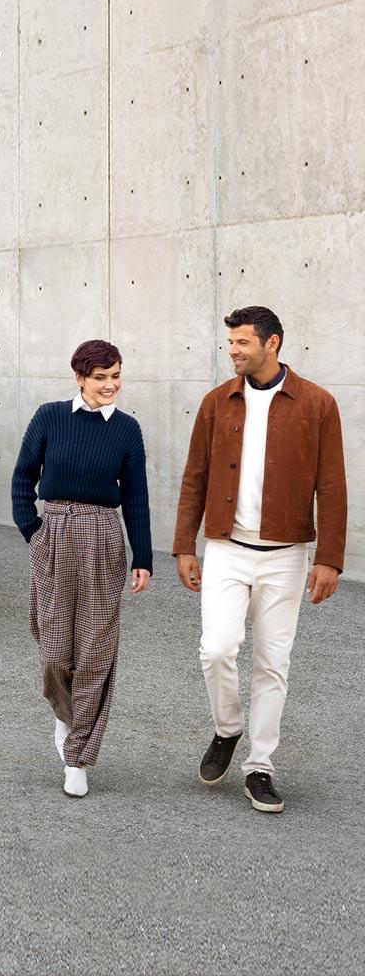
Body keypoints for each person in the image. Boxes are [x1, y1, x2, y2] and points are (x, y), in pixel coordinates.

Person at [173, 306, 347, 813]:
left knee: (273, 664)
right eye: (230, 343)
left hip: (287, 554)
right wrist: (186, 544)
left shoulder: (317, 404)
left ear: (272, 344)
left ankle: (261, 765)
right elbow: (194, 478)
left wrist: (329, 558)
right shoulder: (215, 404)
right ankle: (228, 728)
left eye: (242, 343)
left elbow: (331, 486)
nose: (233, 351)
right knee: (217, 649)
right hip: (226, 547)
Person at [12, 340, 152, 798]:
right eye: (100, 377)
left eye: (116, 376)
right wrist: (31, 528)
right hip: (54, 531)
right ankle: (66, 715)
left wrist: (143, 557)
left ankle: (79, 756)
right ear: (79, 377)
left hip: (103, 539)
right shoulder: (50, 417)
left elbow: (135, 496)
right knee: (54, 648)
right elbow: (23, 475)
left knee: (94, 649)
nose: (110, 385)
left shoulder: (127, 430)